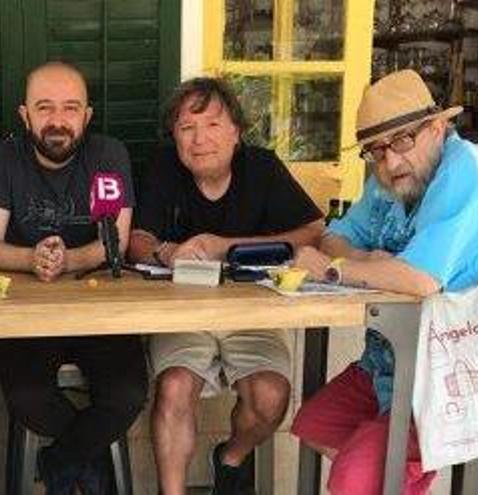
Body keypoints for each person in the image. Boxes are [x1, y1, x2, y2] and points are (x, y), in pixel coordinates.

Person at [291, 69, 478, 495]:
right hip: (389, 367)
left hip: (453, 373)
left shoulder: (466, 170)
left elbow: (418, 278)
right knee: (313, 425)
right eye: (376, 150)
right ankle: (393, 473)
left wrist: (336, 269)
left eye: (403, 140)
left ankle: (392, 468)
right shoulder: (390, 181)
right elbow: (334, 237)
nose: (391, 161)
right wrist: (366, 258)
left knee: (353, 480)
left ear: (438, 127)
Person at [127, 77, 324, 495]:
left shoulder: (264, 168)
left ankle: (230, 460)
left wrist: (224, 247)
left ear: (236, 130)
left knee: (271, 396)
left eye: (213, 125)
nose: (200, 139)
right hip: (183, 314)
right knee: (175, 385)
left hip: (251, 313)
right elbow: (136, 241)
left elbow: (312, 232)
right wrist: (166, 251)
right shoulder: (163, 168)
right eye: (187, 128)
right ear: (175, 137)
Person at [0, 61, 148, 494]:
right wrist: (32, 258)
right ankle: (93, 474)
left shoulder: (108, 154)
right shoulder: (1, 158)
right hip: (27, 311)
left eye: (70, 108)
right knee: (28, 398)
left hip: (97, 307)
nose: (57, 120)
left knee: (127, 395)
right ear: (24, 114)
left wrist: (67, 261)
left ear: (86, 115)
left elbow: (115, 243)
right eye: (44, 107)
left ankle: (59, 462)